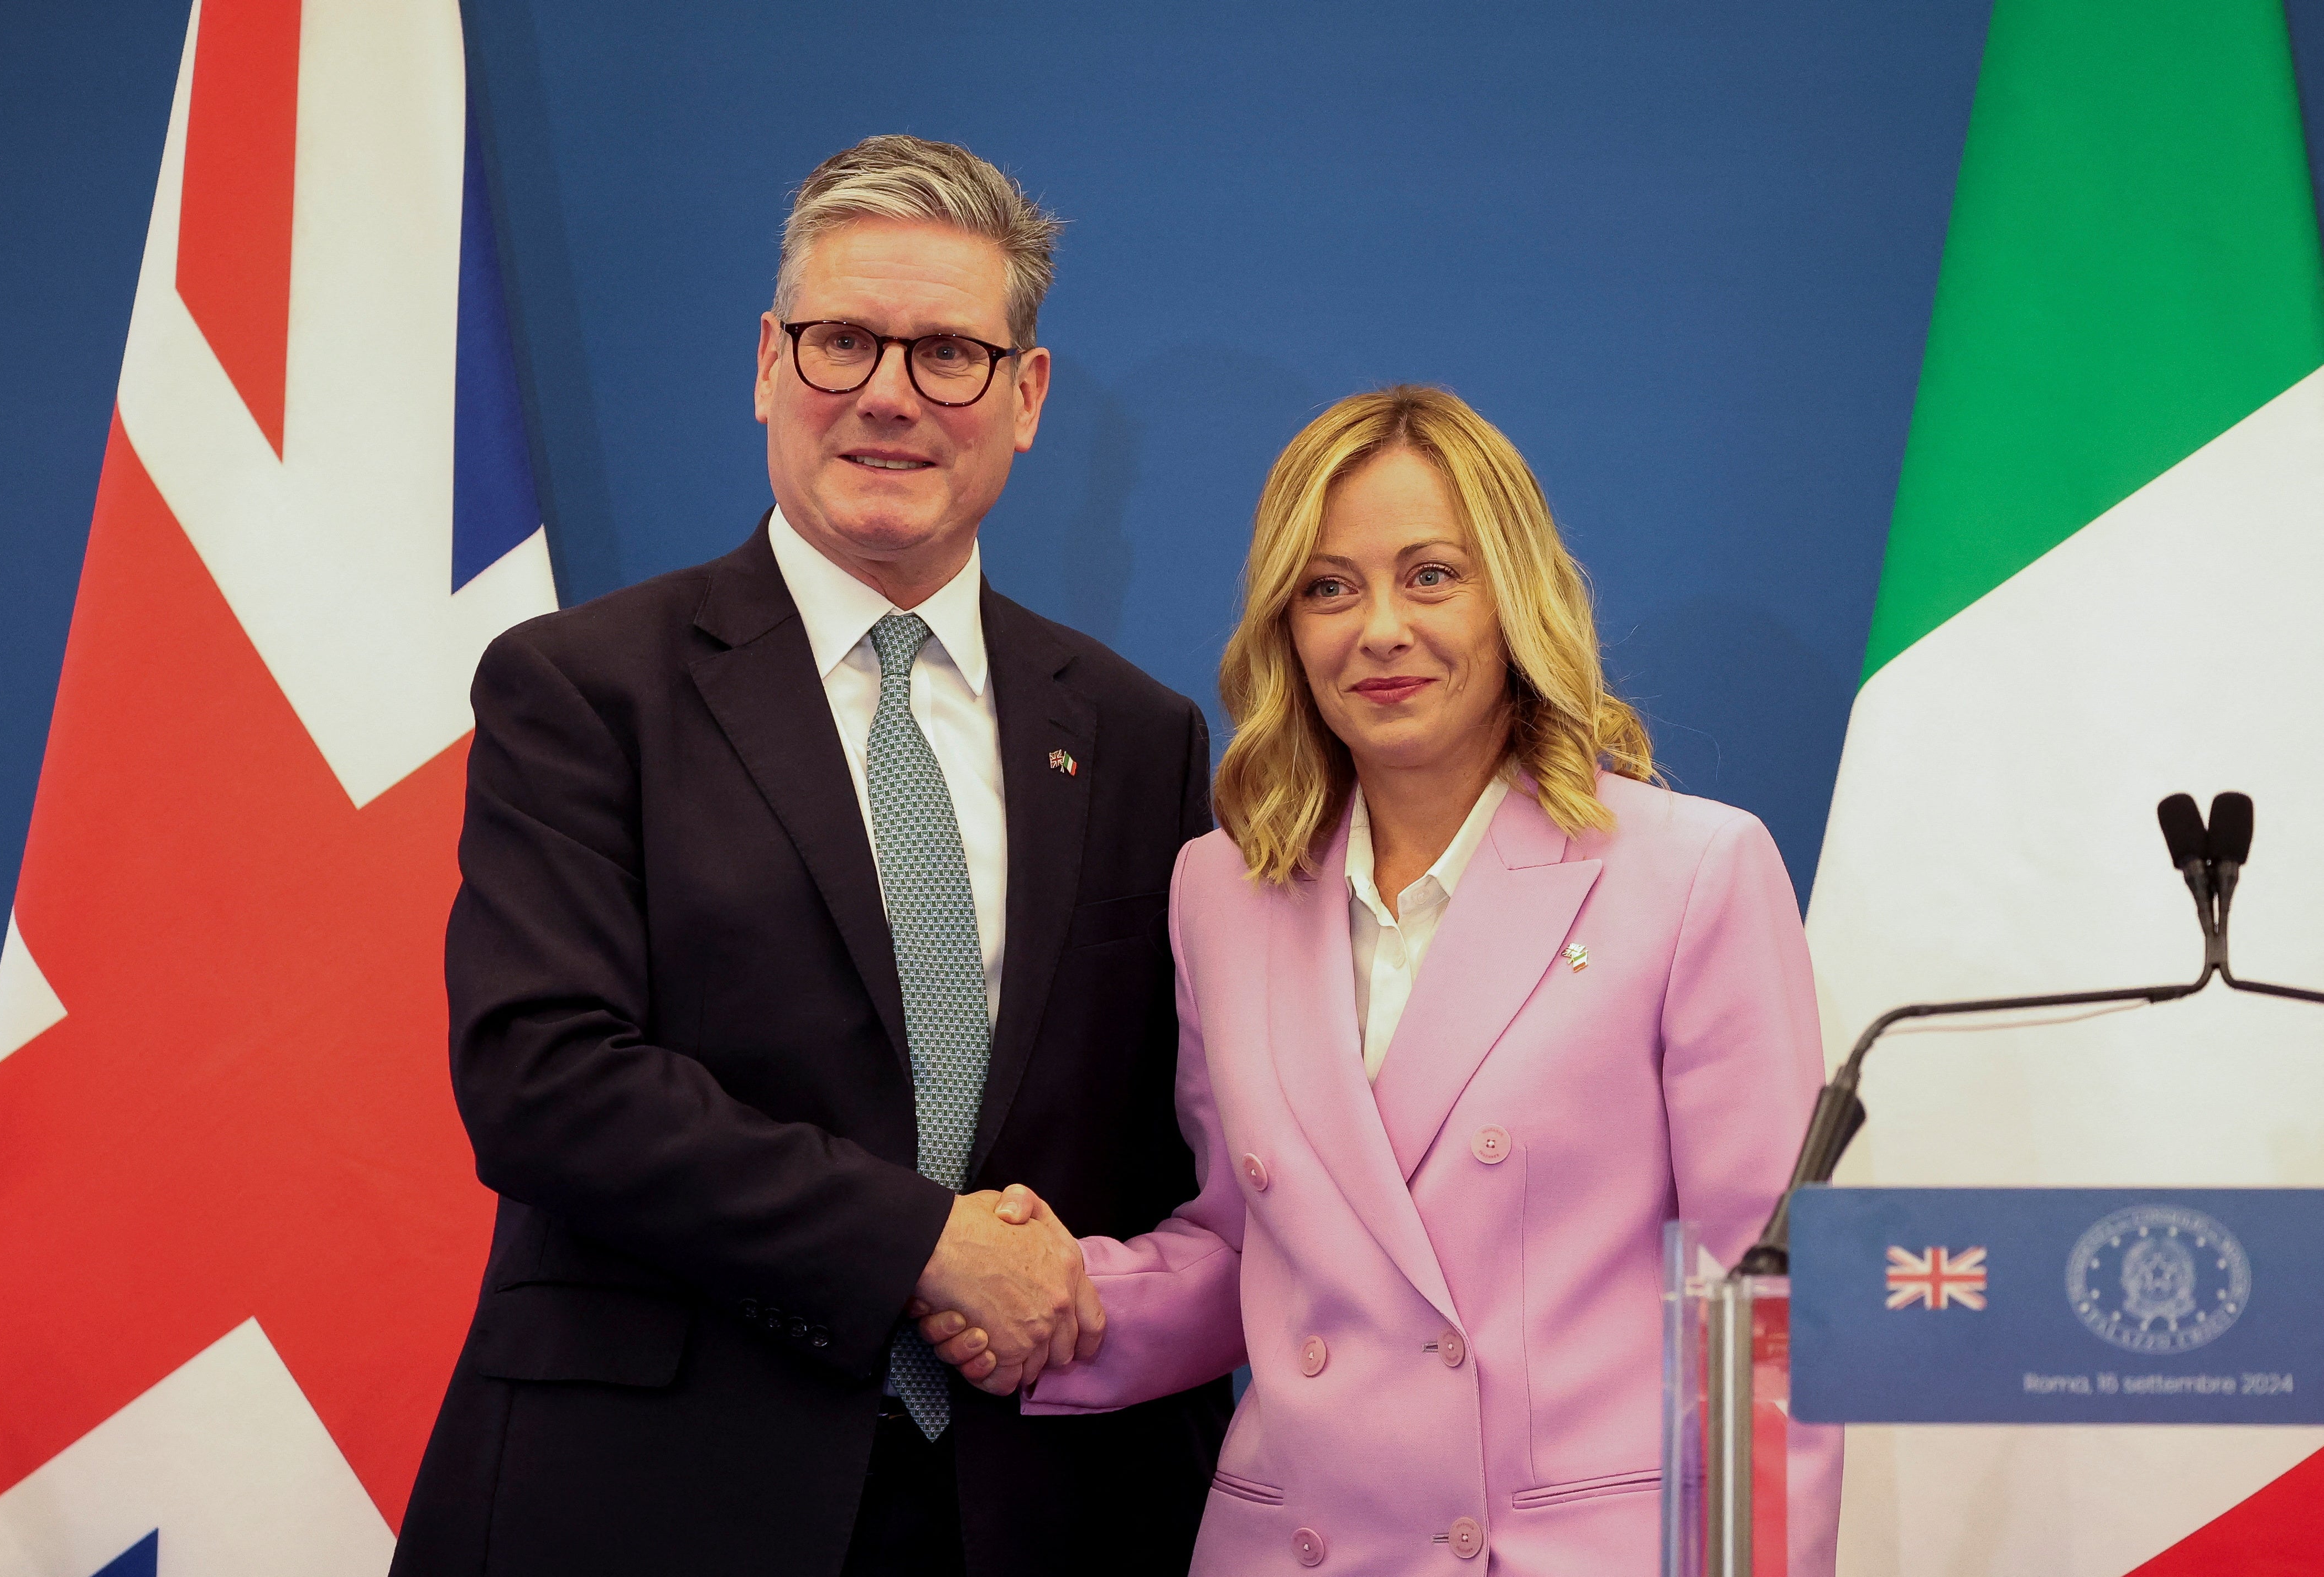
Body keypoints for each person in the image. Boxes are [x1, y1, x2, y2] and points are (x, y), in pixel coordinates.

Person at [392, 136, 1230, 1577]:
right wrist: (919, 1242)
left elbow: (1166, 1145)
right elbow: (541, 1080)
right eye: (844, 340)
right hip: (648, 1499)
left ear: (1024, 396)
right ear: (769, 364)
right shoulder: (583, 687)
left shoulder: (1140, 737)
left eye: (948, 353)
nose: (889, 395)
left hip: (1029, 1506)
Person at [917, 386, 1842, 1574]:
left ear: (1512, 594)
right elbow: (1251, 1251)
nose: (1380, 630)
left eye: (1430, 576)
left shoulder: (1692, 871)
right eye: (1328, 587)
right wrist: (1050, 1304)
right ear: (1283, 628)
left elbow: (1769, 1310)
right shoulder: (1220, 891)